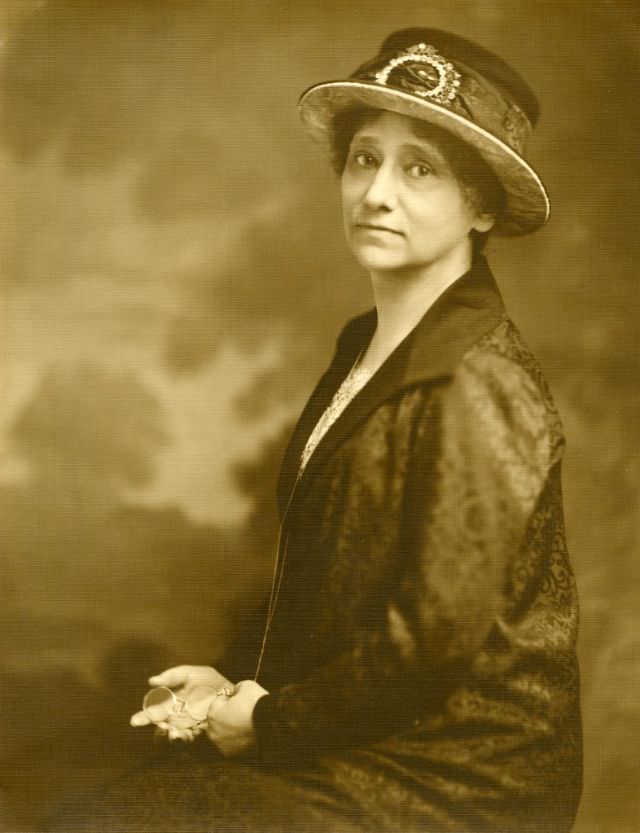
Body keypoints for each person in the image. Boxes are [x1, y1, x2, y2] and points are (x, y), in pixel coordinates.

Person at [50, 27, 583, 833]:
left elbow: (428, 648)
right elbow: (326, 576)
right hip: (361, 733)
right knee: (101, 806)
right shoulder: (360, 348)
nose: (376, 194)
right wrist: (230, 683)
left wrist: (265, 722)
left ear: (480, 206)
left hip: (466, 773)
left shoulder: (481, 382)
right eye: (365, 158)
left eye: (420, 169)